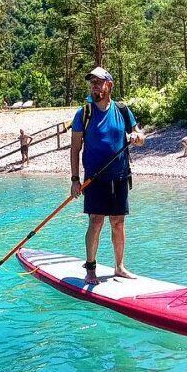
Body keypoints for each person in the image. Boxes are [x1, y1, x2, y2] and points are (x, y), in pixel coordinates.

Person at [70, 67, 145, 285]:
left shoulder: (122, 110)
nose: (94, 85)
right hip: (94, 179)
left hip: (120, 176)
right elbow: (75, 149)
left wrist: (138, 138)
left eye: (99, 81)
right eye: (92, 82)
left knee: (118, 223)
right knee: (96, 222)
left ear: (109, 85)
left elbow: (140, 135)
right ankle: (91, 269)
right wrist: (75, 180)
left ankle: (119, 267)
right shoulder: (84, 113)